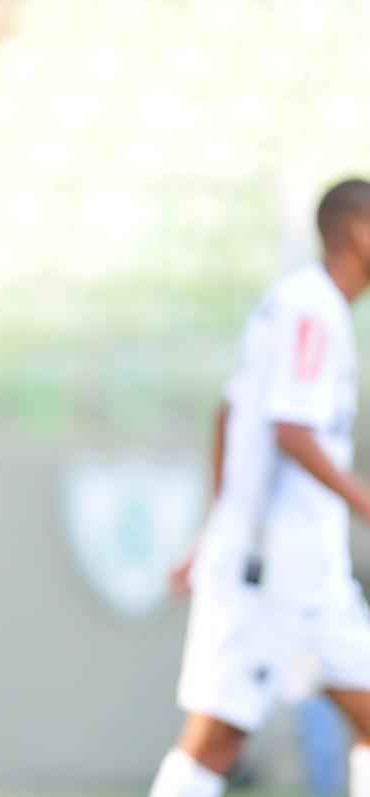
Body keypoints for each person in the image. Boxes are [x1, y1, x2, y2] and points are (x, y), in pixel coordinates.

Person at [152, 178, 370, 797]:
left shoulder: (301, 304)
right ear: (356, 231)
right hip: (275, 568)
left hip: (301, 567)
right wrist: (364, 501)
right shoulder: (312, 308)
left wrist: (216, 525)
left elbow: (229, 415)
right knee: (216, 740)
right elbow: (292, 430)